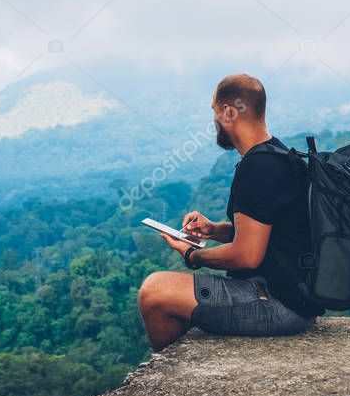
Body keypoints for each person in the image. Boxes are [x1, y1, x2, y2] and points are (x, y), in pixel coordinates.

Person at [137, 73, 324, 351]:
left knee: (154, 291)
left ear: (228, 112)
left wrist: (192, 255)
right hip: (296, 300)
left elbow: (247, 256)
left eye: (214, 112)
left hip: (277, 305)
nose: (214, 121)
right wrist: (213, 230)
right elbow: (265, 233)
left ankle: (169, 380)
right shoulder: (278, 155)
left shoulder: (258, 168)